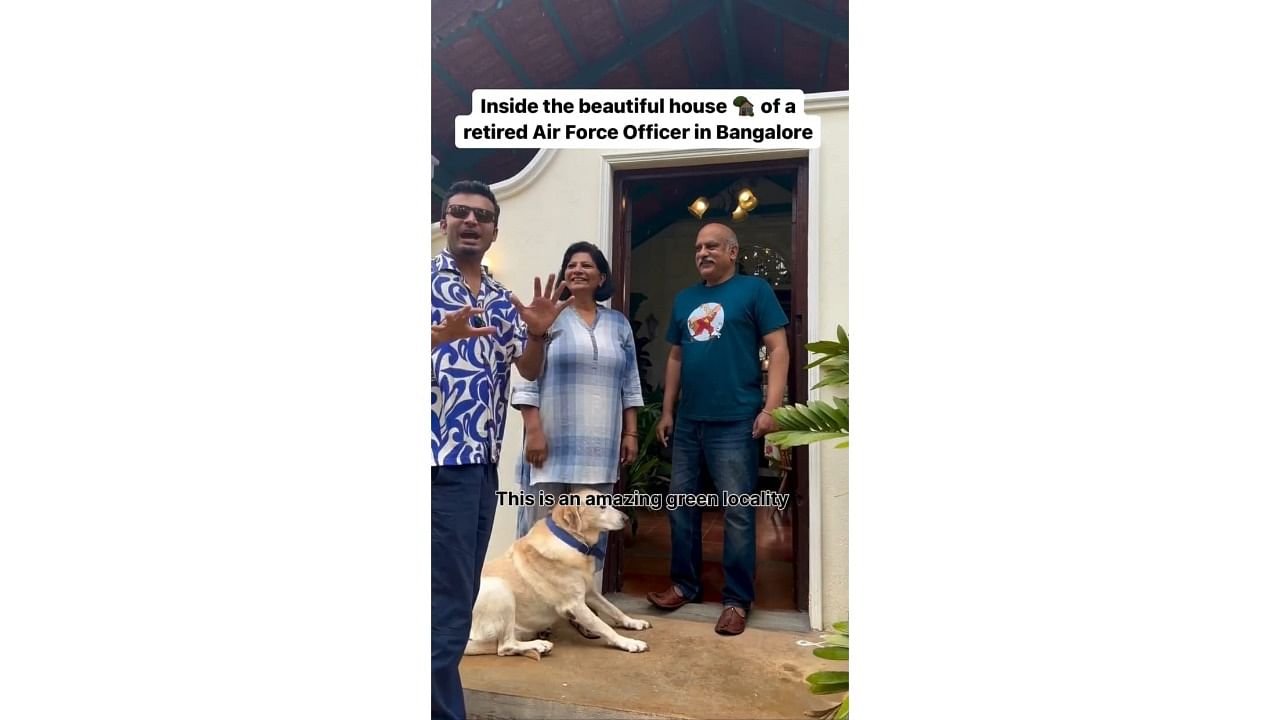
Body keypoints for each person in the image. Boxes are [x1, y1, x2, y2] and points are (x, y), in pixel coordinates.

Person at [430, 180, 569, 720]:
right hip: (436, 460)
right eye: (459, 212)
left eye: (481, 216)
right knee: (444, 604)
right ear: (444, 222)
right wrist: (435, 340)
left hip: (479, 468)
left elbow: (528, 368)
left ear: (494, 231)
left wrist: (535, 335)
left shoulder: (500, 297)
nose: (470, 221)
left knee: (455, 596)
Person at [647, 222, 790, 636]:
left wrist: (772, 407)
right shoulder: (686, 298)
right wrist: (668, 410)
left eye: (712, 246)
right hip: (689, 421)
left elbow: (779, 348)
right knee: (680, 508)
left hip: (736, 420)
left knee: (738, 513)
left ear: (732, 251)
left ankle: (736, 600)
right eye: (697, 247)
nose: (702, 252)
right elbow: (675, 356)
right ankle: (684, 585)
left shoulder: (754, 290)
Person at [510, 242, 645, 572]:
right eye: (571, 264)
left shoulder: (618, 324)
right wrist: (534, 431)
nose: (578, 270)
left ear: (601, 277)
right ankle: (534, 611)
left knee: (590, 531)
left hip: (599, 449)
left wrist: (631, 432)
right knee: (542, 531)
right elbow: (528, 376)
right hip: (550, 445)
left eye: (587, 265)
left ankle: (580, 607)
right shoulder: (549, 317)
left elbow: (630, 381)